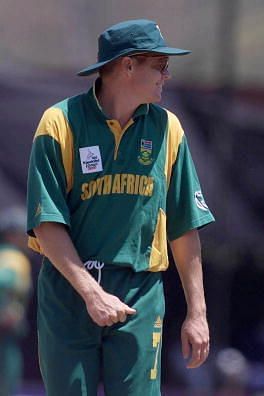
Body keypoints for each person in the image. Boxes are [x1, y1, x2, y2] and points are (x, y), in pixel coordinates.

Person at [25, 19, 214, 396]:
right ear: (128, 65)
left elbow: (184, 226)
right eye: (160, 66)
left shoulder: (168, 129)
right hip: (69, 292)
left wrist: (198, 313)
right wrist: (91, 294)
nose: (168, 75)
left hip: (139, 293)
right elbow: (47, 224)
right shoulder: (59, 123)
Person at [0, 207, 31, 396]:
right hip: (6, 329)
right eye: (23, 233)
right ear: (12, 235)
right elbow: (5, 281)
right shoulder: (14, 257)